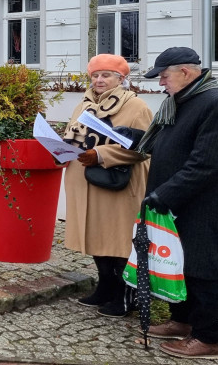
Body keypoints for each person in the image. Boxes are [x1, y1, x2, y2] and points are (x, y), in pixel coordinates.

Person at [125, 47, 218, 359]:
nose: (160, 83)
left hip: (201, 204)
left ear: (186, 72)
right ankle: (182, 321)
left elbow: (205, 164)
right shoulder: (179, 101)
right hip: (177, 202)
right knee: (180, 264)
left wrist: (164, 194)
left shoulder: (212, 102)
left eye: (164, 76)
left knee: (202, 268)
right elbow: (166, 144)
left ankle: (208, 337)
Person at [60, 54, 151, 318]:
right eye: (95, 75)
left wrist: (101, 155)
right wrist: (59, 150)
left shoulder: (137, 107)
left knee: (119, 239)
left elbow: (144, 149)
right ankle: (105, 286)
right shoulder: (84, 104)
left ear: (121, 79)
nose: (99, 80)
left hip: (117, 184)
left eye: (106, 75)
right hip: (84, 182)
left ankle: (126, 294)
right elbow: (73, 137)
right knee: (95, 236)